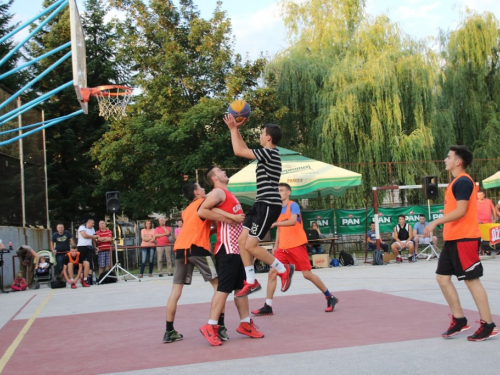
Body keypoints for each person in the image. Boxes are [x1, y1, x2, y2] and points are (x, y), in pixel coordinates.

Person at [424, 145, 498, 341]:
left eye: (448, 157)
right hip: (453, 239)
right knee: (442, 277)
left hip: (465, 238)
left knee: (472, 280)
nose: (445, 160)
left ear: (458, 161)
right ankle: (459, 319)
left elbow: (462, 210)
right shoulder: (455, 182)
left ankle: (488, 324)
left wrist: (436, 222)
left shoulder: (464, 182)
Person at [224, 114, 293, 298]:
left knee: (252, 245)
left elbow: (239, 151)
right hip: (259, 203)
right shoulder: (266, 154)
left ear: (268, 137)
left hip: (269, 204)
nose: (260, 136)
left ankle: (282, 268)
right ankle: (251, 280)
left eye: (262, 133)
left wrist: (232, 129)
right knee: (242, 242)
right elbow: (244, 148)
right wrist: (236, 129)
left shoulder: (270, 153)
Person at [198, 166, 264, 346]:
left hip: (238, 250)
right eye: (220, 171)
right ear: (214, 178)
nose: (224, 172)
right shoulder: (218, 192)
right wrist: (231, 217)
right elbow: (202, 211)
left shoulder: (228, 194)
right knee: (223, 289)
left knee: (241, 289)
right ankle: (210, 326)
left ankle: (245, 323)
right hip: (227, 250)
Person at [252, 183, 338, 316]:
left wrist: (276, 223)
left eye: (281, 190)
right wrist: (276, 246)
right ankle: (268, 306)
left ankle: (330, 297)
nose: (278, 193)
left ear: (288, 193)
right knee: (272, 273)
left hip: (296, 245)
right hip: (282, 248)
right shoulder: (277, 208)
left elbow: (292, 221)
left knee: (307, 274)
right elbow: (280, 230)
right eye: (277, 191)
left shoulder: (293, 205)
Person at [163, 181, 219, 344]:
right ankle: (218, 326)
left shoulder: (186, 211)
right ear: (196, 192)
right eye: (201, 187)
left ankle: (169, 331)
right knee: (219, 287)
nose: (204, 189)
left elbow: (200, 228)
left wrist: (214, 229)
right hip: (198, 248)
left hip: (181, 249)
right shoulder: (204, 203)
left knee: (175, 291)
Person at [77, 218, 98, 286]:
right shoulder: (82, 227)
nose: (93, 225)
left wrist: (95, 246)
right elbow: (84, 235)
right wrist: (93, 236)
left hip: (89, 246)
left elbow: (94, 239)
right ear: (88, 223)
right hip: (82, 246)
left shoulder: (92, 229)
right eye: (92, 223)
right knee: (81, 262)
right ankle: (81, 277)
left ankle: (89, 277)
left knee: (90, 262)